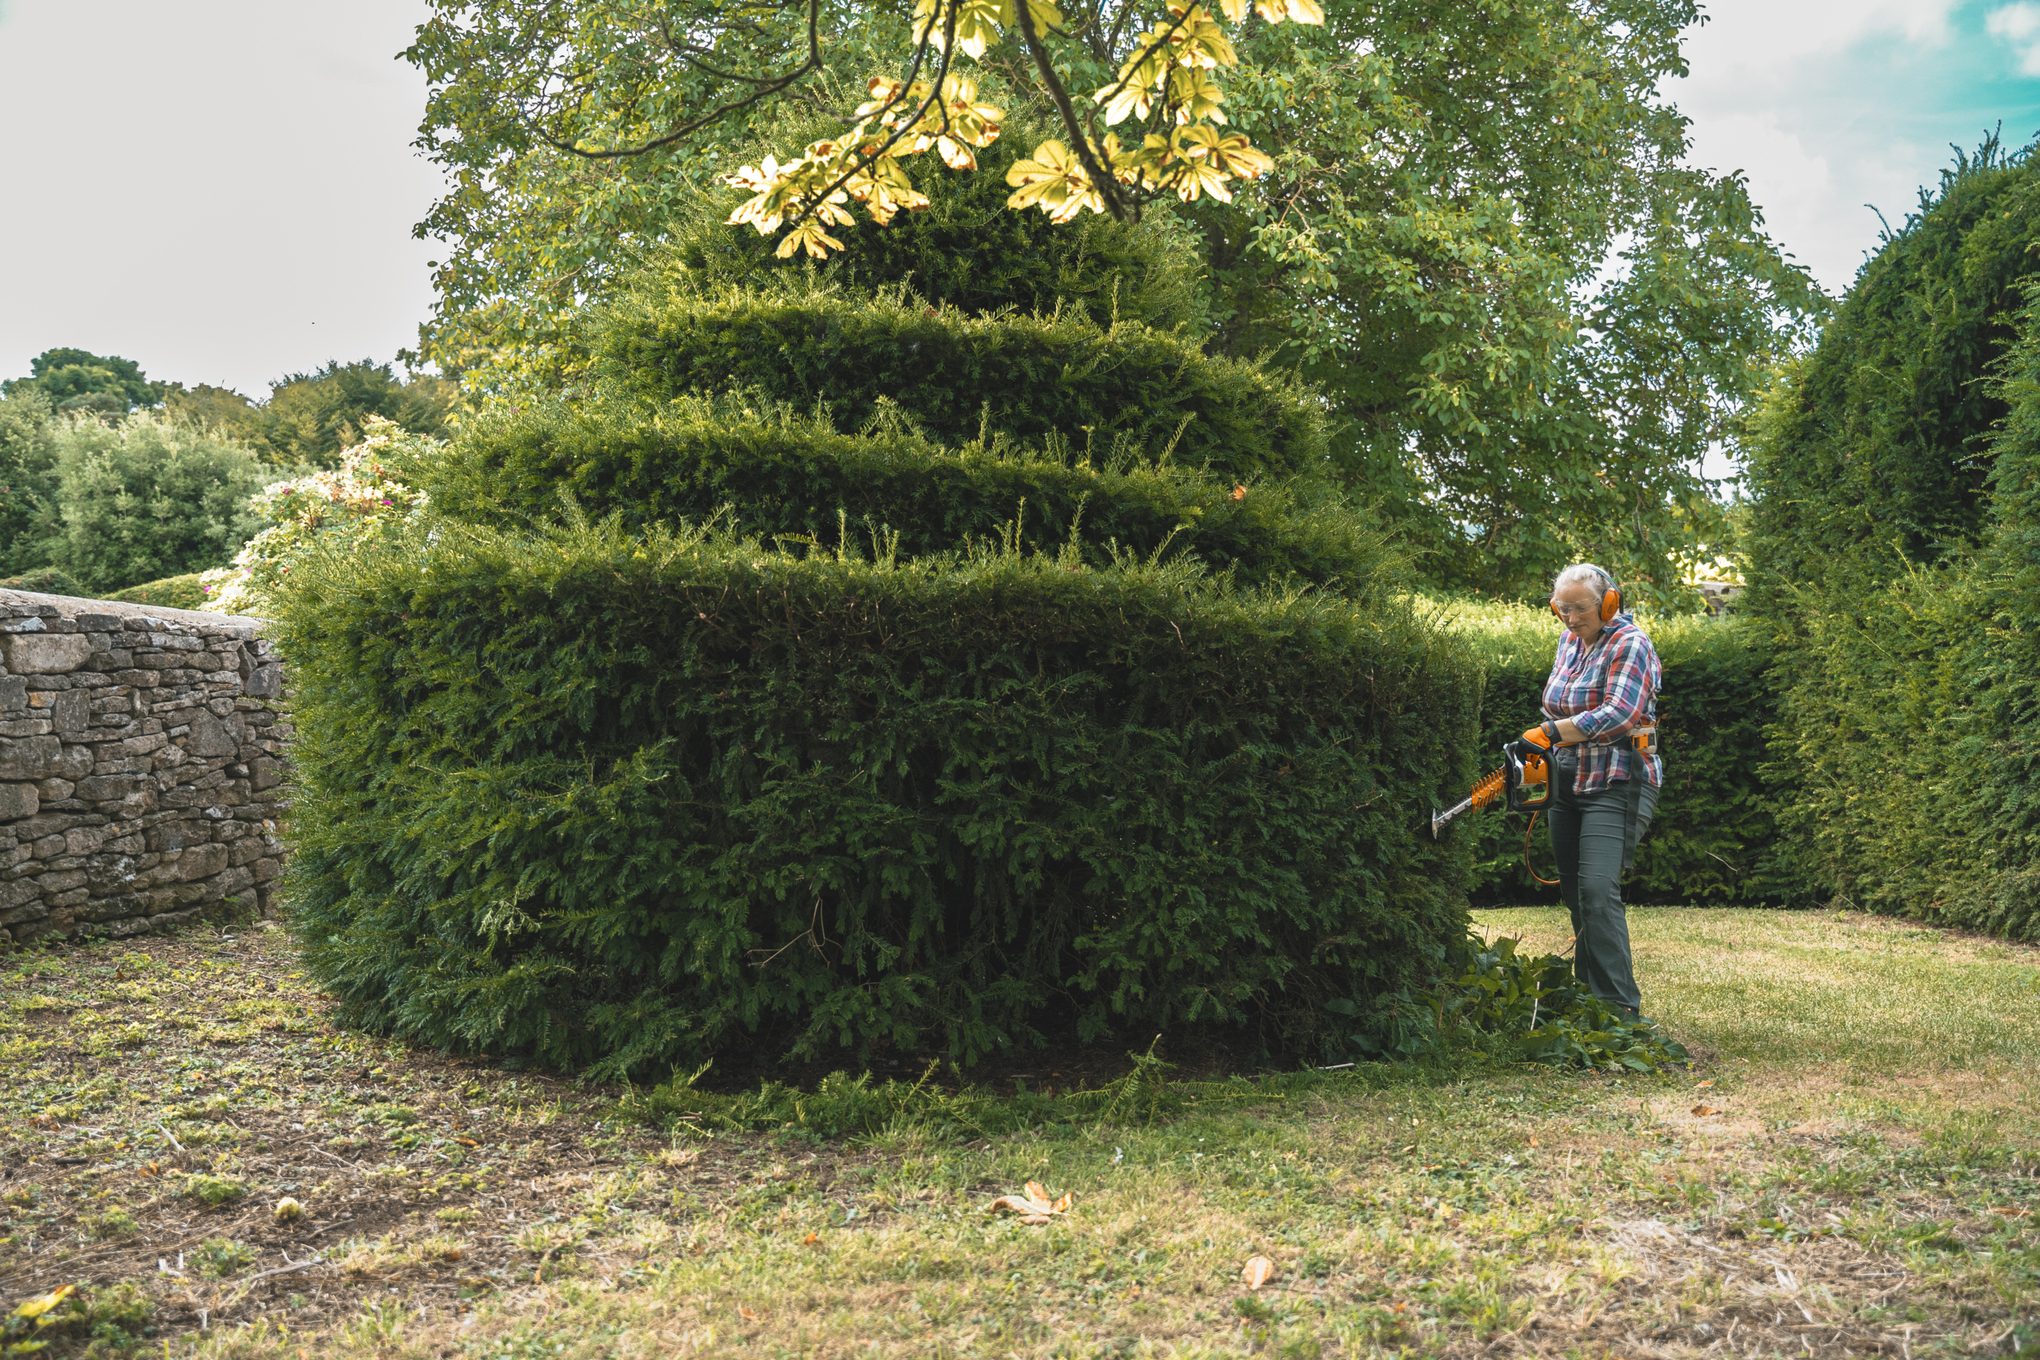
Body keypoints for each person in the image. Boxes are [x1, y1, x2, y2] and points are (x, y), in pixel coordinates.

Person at [1515, 563, 1662, 1018]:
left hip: (1618, 781)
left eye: (1580, 609)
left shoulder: (1630, 643)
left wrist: (1551, 733)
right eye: (1562, 609)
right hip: (1568, 781)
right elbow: (1555, 702)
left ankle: (1620, 1012)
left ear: (1609, 603)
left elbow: (1619, 713)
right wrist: (1548, 741)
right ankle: (1588, 1004)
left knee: (1598, 890)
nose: (1571, 618)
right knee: (1577, 894)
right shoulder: (1568, 641)